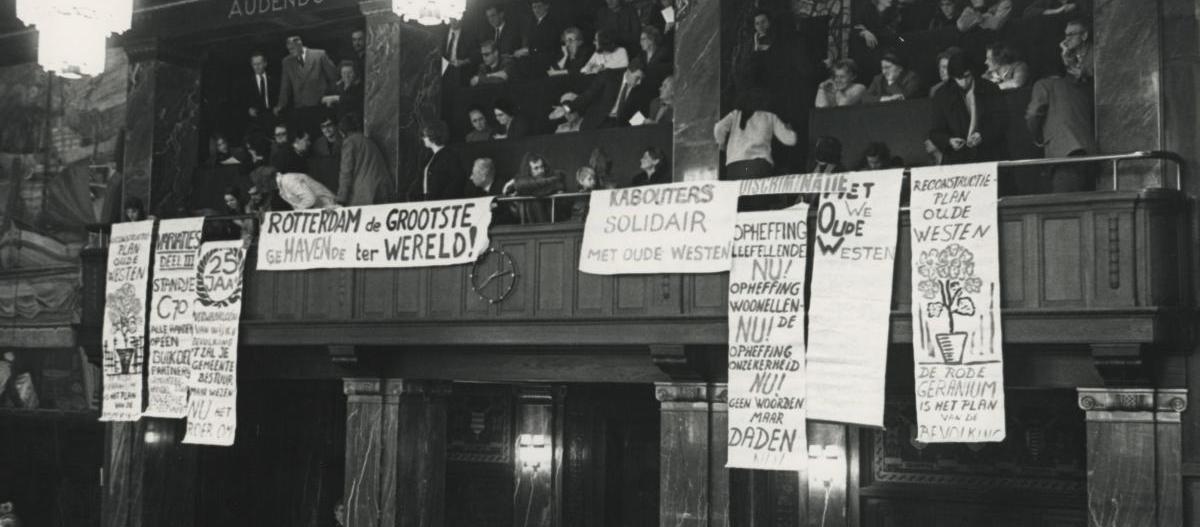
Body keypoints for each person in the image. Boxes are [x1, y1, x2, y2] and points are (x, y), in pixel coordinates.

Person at [1026, 32, 1097, 191]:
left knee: (1066, 210)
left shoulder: (1043, 85)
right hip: (1091, 155)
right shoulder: (1079, 86)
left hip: (1064, 156)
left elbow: (1033, 113)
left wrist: (1037, 137)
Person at [929, 54, 1006, 165]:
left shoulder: (990, 89)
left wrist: (983, 135)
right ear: (952, 77)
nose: (964, 82)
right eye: (959, 78)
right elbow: (935, 132)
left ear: (972, 72)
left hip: (990, 156)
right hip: (958, 160)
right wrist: (949, 141)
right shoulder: (942, 95)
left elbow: (1002, 120)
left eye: (967, 76)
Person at [713, 88, 797, 180]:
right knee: (760, 193)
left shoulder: (736, 114)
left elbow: (718, 128)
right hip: (757, 167)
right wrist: (790, 128)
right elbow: (790, 140)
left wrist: (721, 144)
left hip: (734, 168)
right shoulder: (770, 116)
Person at [275, 35, 339, 139]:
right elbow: (285, 86)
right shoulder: (287, 61)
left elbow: (333, 77)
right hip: (301, 108)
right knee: (307, 139)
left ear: (300, 44)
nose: (291, 52)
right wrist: (280, 105)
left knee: (322, 138)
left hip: (320, 106)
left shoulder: (319, 55)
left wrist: (331, 98)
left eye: (293, 48)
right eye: (289, 49)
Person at [564, 59, 648, 130]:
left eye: (641, 79)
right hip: (596, 122)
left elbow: (633, 113)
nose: (639, 82)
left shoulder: (638, 89)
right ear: (628, 71)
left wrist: (643, 121)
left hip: (618, 127)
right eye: (637, 78)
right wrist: (569, 107)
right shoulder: (609, 76)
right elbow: (588, 95)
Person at [337, 113, 393, 206]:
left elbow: (346, 172)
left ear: (342, 133)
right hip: (382, 190)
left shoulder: (349, 143)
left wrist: (341, 199)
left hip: (364, 195)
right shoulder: (367, 141)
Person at [408, 121, 464, 201]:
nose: (423, 139)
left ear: (433, 136)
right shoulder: (428, 157)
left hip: (440, 204)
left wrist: (442, 200)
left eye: (424, 136)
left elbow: (456, 181)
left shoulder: (450, 156)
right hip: (425, 201)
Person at [504, 152, 565, 223]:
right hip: (529, 226)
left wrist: (520, 188)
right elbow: (521, 186)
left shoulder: (556, 177)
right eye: (536, 168)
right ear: (528, 170)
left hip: (553, 224)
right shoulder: (522, 181)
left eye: (542, 167)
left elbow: (522, 186)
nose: (541, 171)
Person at [250, 165, 337, 210]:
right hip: (320, 208)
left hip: (328, 206)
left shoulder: (288, 181)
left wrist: (297, 211)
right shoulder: (282, 188)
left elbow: (310, 199)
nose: (264, 190)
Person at [851, 0, 899, 80]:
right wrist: (864, 32)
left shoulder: (894, 11)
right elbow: (855, 26)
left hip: (885, 50)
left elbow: (892, 33)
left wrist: (870, 32)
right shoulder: (866, 7)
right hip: (865, 51)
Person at [519, 0, 564, 70]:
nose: (536, 10)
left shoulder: (552, 23)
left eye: (539, 6)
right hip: (535, 56)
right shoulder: (532, 23)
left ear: (546, 6)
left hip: (549, 58)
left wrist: (529, 51)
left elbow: (549, 46)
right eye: (534, 7)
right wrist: (524, 50)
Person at [241, 51, 277, 139]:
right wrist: (248, 109)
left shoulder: (274, 79)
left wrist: (278, 106)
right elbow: (240, 101)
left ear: (265, 63)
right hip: (255, 119)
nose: (257, 67)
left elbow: (282, 96)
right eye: (254, 64)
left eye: (259, 63)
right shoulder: (246, 83)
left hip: (272, 116)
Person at [639, 25, 671, 90]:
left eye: (643, 39)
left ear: (651, 39)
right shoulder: (642, 55)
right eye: (640, 40)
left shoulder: (663, 54)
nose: (640, 42)